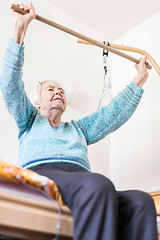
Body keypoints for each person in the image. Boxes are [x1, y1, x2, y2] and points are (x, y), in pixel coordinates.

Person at [0, 3, 158, 240]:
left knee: (142, 201)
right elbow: (10, 87)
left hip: (80, 182)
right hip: (44, 175)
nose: (58, 92)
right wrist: (19, 31)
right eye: (50, 89)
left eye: (61, 90)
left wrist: (140, 78)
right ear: (37, 103)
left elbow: (111, 115)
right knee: (97, 184)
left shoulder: (77, 130)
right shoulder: (28, 119)